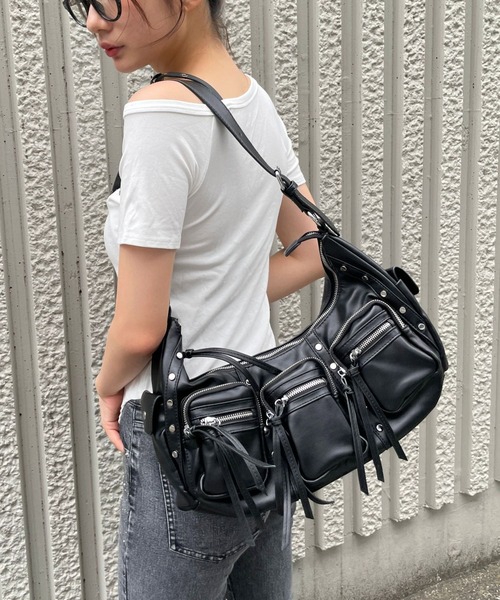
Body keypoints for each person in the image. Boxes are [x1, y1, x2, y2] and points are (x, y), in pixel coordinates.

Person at [64, 0, 324, 597]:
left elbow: (141, 330)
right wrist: (226, 290)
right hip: (264, 417)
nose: (95, 22)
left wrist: (107, 388)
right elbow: (310, 253)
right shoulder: (251, 102)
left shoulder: (159, 113)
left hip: (187, 432)